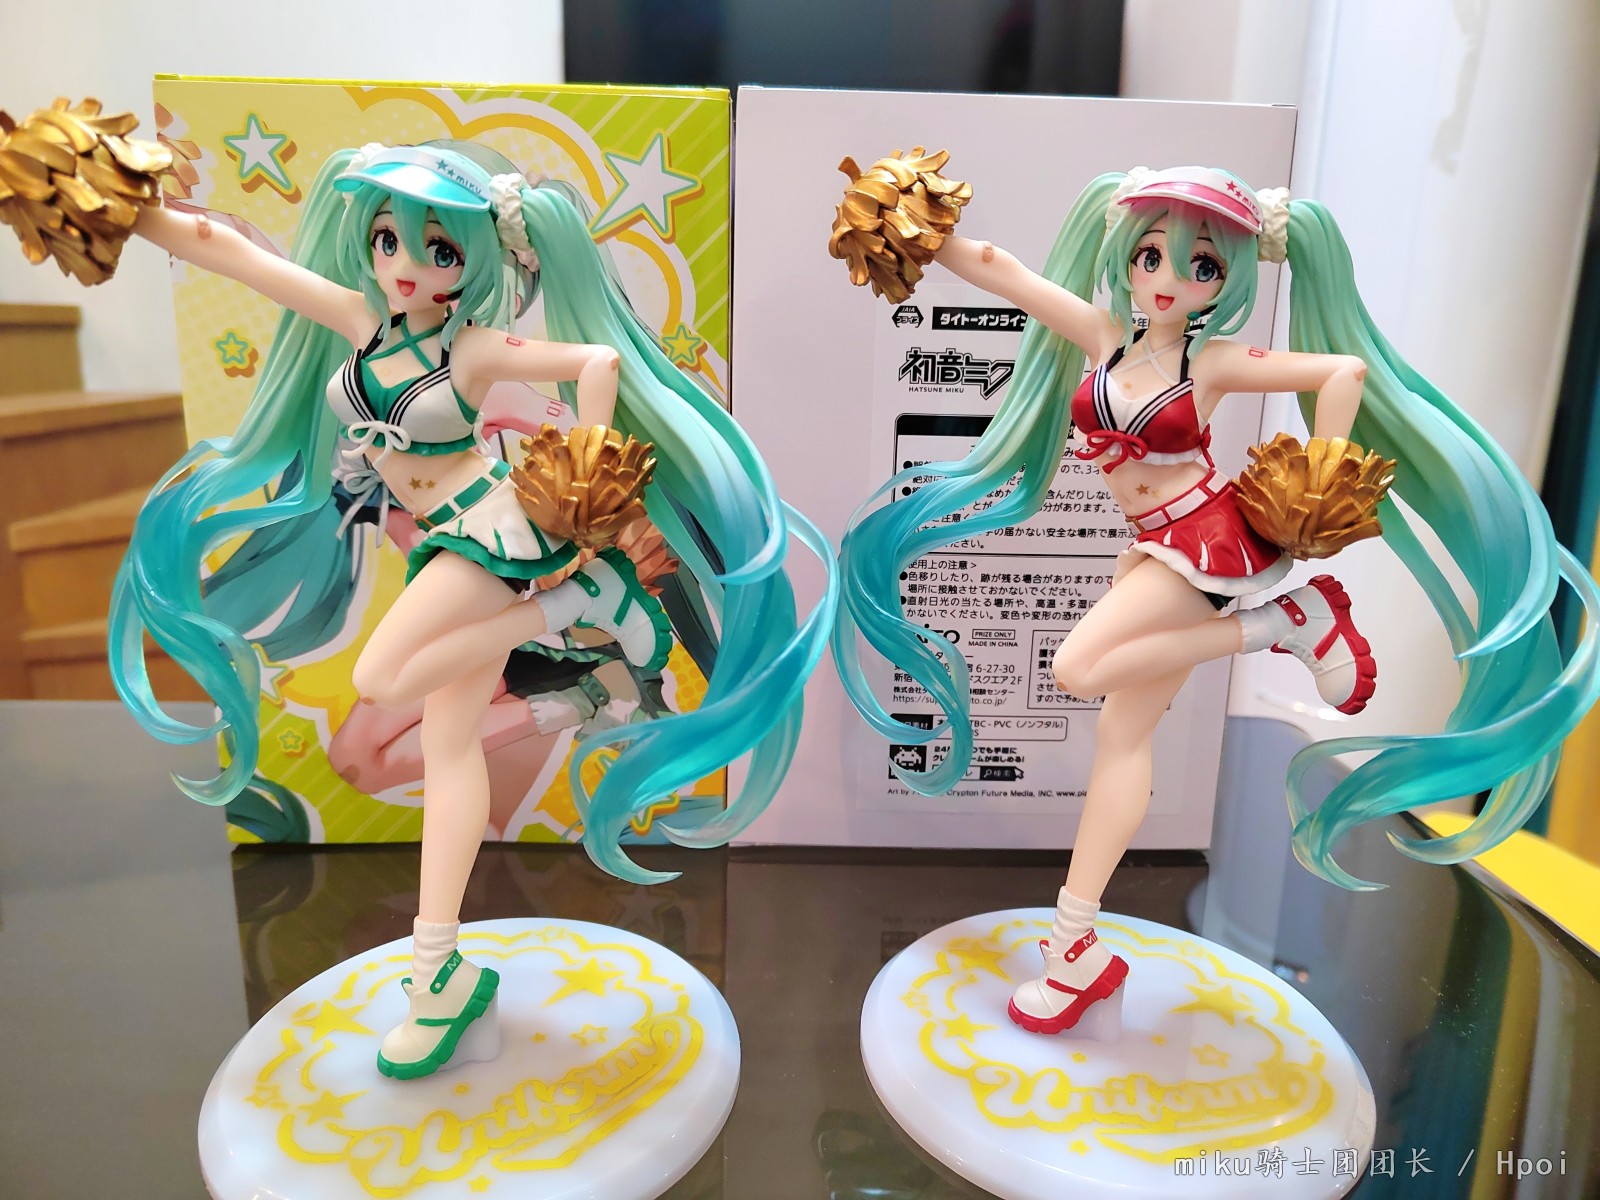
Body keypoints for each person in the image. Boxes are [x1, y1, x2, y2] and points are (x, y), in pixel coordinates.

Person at [102, 141, 835, 1078]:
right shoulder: (363, 320)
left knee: (380, 677)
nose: (407, 264)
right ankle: (437, 974)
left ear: (477, 262)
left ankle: (577, 601)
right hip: (443, 543)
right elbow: (239, 257)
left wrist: (589, 475)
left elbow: (598, 358)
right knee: (451, 751)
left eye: (439, 250)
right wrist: (122, 209)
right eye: (388, 239)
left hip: (491, 534)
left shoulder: (474, 348)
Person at [833, 164, 1600, 1034]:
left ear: (1226, 280)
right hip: (1151, 551)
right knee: (1122, 740)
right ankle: (1074, 948)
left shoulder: (1213, 360)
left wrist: (1323, 472)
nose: (1169, 280)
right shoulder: (1104, 337)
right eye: (1152, 256)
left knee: (1076, 668)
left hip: (1203, 544)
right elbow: (1004, 271)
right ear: (1126, 257)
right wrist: (919, 231)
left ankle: (1281, 621)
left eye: (1201, 266)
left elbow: (1342, 372)